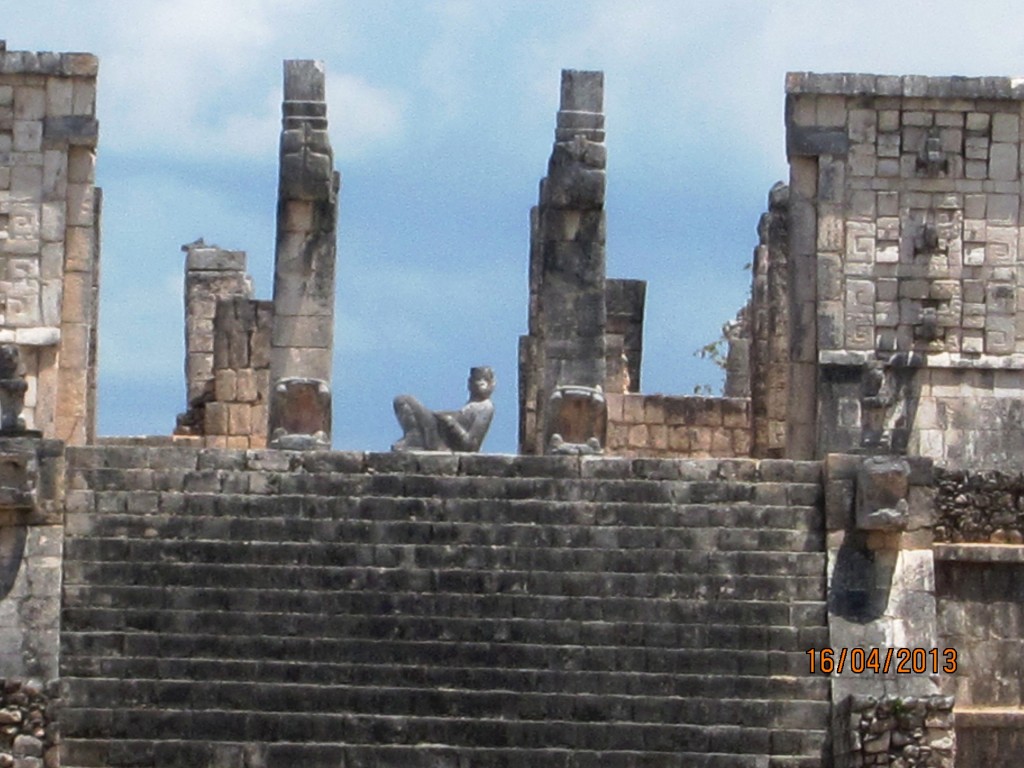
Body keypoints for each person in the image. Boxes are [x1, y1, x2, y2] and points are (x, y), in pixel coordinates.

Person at [391, 366, 495, 452]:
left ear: (492, 384)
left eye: (484, 380)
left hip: (444, 443)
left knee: (405, 401)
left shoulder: (485, 407)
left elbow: (471, 445)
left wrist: (450, 422)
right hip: (440, 434)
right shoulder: (472, 405)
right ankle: (414, 437)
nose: (480, 383)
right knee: (404, 401)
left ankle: (415, 440)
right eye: (476, 379)